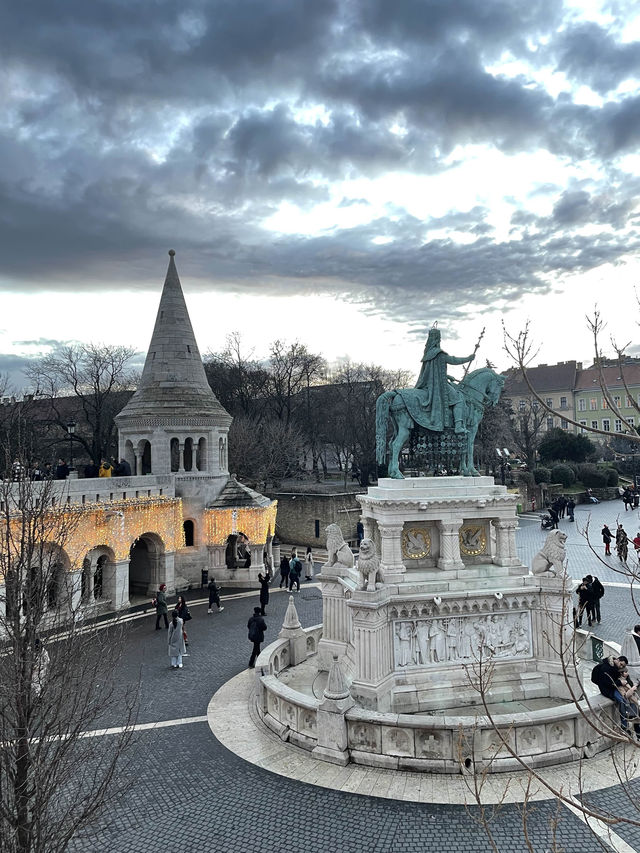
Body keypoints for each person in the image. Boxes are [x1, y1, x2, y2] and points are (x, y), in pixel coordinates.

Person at [414, 327, 475, 434]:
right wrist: (468, 358)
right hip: (439, 386)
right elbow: (454, 360)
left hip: (428, 384)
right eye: (439, 338)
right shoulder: (439, 353)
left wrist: (447, 376)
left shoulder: (428, 354)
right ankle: (458, 426)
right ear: (437, 339)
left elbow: (433, 372)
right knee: (459, 398)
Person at [591, 655, 640, 736]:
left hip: (614, 688)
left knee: (625, 702)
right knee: (622, 701)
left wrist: (625, 679)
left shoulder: (615, 667)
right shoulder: (606, 668)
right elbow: (607, 683)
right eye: (621, 665)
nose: (621, 667)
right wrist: (620, 683)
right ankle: (624, 727)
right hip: (608, 690)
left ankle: (628, 726)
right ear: (617, 660)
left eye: (623, 666)